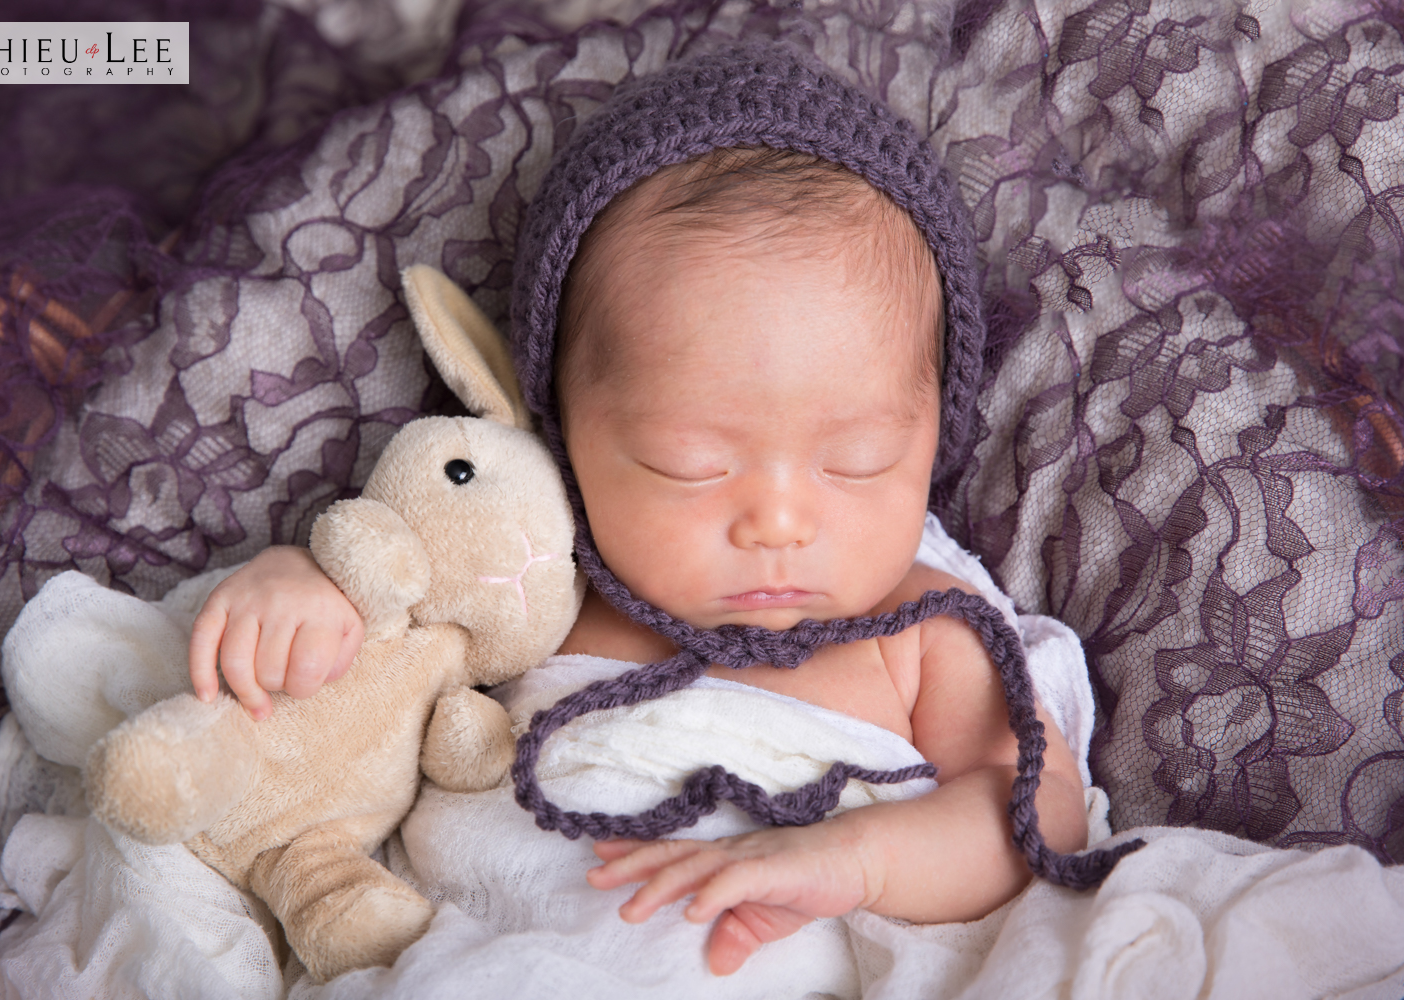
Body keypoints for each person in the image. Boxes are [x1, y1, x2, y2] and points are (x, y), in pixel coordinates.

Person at [187, 44, 1090, 978]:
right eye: (687, 464)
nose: (778, 522)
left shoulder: (924, 628)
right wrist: (312, 595)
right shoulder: (539, 579)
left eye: (858, 463)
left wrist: (856, 860)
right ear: (567, 429)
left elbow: (1037, 811)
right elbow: (372, 647)